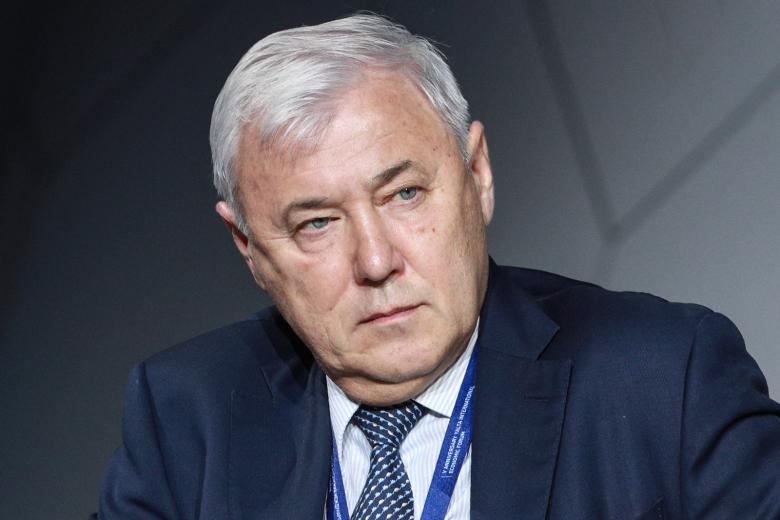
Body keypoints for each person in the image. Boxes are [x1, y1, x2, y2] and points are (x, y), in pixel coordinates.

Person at [96, 14, 780, 519]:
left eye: (404, 194)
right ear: (248, 247)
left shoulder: (667, 380)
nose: (376, 261)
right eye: (317, 223)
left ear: (477, 174)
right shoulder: (187, 419)